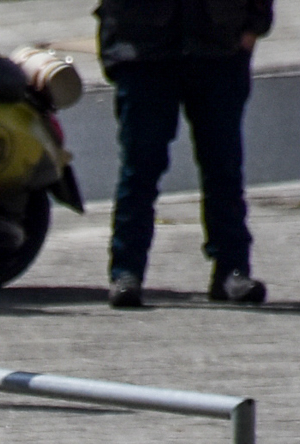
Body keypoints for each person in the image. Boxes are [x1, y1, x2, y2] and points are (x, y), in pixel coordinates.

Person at [96, 0, 274, 309]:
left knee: (223, 167)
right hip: (144, 48)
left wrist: (253, 27)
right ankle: (126, 272)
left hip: (217, 46)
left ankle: (232, 270)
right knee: (140, 168)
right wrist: (117, 49)